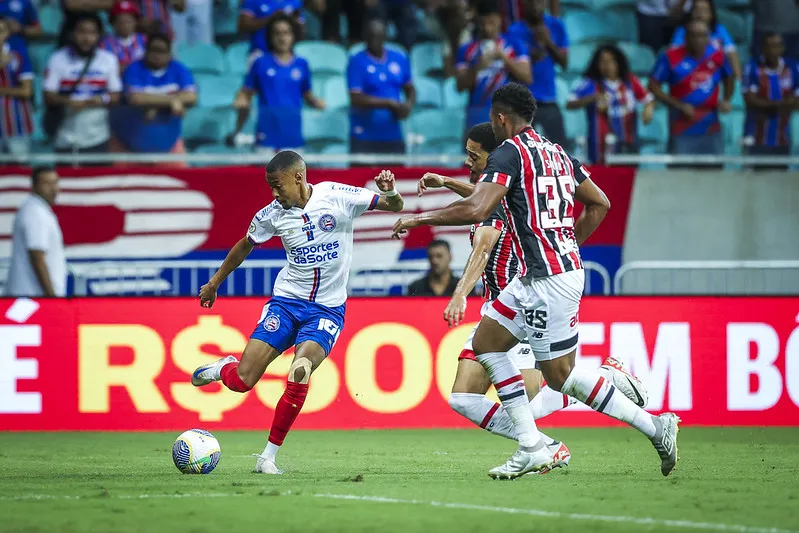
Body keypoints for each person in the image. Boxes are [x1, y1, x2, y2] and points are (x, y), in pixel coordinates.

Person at [392, 83, 679, 480]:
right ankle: (532, 447)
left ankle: (653, 425)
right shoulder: (558, 153)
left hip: (549, 281)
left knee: (560, 377)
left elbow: (478, 205)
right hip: (541, 275)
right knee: (486, 344)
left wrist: (420, 219)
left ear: (500, 118)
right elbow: (600, 203)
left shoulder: (508, 152)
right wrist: (567, 245)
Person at [190, 152, 405, 475]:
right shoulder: (272, 215)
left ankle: (267, 457)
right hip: (286, 304)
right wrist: (214, 283)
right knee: (243, 382)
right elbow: (245, 245)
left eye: (277, 186)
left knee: (300, 370)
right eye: (270, 188)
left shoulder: (337, 196)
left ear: (298, 179)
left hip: (326, 310)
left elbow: (394, 206)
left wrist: (389, 191)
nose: (274, 194)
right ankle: (225, 368)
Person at [231, 13, 324, 156]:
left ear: (293, 36)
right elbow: (246, 92)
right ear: (270, 36)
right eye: (277, 33)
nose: (282, 38)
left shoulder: (302, 64)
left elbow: (307, 94)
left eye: (286, 33)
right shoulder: (260, 62)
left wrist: (317, 102)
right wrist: (240, 98)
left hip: (293, 137)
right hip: (266, 137)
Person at [649, 20, 733, 159]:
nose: (698, 40)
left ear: (708, 38)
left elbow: (729, 77)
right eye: (693, 35)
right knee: (682, 171)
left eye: (702, 35)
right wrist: (678, 105)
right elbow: (653, 86)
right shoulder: (670, 56)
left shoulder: (718, 56)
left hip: (710, 123)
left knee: (715, 172)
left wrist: (726, 99)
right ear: (685, 38)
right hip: (681, 123)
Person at [110, 32, 196, 164]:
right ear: (146, 51)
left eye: (162, 51)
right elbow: (136, 99)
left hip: (169, 144)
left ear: (170, 54)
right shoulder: (134, 69)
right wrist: (174, 100)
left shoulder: (178, 69)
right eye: (153, 50)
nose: (157, 55)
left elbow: (191, 97)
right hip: (128, 144)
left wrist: (153, 104)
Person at [44, 13, 122, 156]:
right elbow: (49, 95)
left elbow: (116, 96)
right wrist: (70, 102)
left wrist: (97, 100)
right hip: (64, 136)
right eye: (81, 32)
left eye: (92, 33)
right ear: (73, 33)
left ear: (99, 35)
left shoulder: (108, 60)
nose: (86, 38)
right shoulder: (58, 58)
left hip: (97, 137)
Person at [567, 44, 655, 164]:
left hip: (628, 141)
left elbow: (648, 99)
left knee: (628, 176)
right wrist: (592, 98)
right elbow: (570, 103)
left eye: (611, 61)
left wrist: (648, 110)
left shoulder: (630, 82)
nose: (607, 65)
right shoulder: (590, 83)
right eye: (602, 61)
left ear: (619, 62)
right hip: (599, 145)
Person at [456, 1, 530, 131]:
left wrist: (504, 57)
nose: (487, 28)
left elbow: (527, 77)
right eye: (483, 24)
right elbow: (460, 86)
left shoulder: (514, 45)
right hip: (477, 115)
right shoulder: (466, 50)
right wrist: (478, 66)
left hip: (507, 115)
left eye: (491, 23)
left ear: (499, 20)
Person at [348, 19, 415, 155]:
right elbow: (356, 98)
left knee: (395, 175)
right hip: (364, 136)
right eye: (371, 36)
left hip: (393, 135)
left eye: (378, 36)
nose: (375, 40)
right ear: (364, 37)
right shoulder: (356, 61)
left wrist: (408, 104)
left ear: (385, 36)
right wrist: (388, 104)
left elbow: (410, 88)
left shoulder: (399, 58)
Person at [507, 0, 568, 147]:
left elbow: (564, 63)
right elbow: (511, 67)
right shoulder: (514, 30)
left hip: (548, 100)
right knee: (519, 149)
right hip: (522, 101)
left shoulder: (556, 25)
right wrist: (533, 55)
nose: (535, 6)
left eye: (539, 2)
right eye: (531, 2)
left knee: (559, 150)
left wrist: (548, 42)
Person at [5, 168, 66, 298]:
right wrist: (52, 297)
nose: (53, 189)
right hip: (32, 297)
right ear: (34, 186)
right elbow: (37, 257)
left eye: (55, 183)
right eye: (47, 183)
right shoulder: (35, 213)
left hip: (32, 296)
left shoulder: (38, 210)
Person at [743, 33, 799, 160]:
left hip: (783, 137)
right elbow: (750, 100)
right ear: (763, 48)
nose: (773, 50)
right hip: (755, 137)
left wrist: (767, 105)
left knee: (780, 176)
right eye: (769, 46)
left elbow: (797, 102)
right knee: (754, 177)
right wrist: (783, 104)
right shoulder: (752, 67)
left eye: (777, 46)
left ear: (783, 48)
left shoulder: (792, 68)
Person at [671, 0, 741, 80]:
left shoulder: (719, 30)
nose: (699, 14)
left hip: (715, 75)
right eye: (696, 10)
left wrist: (738, 83)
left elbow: (732, 54)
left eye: (704, 10)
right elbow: (673, 55)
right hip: (688, 75)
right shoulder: (682, 31)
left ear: (711, 14)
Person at [0, 17, 34, 155]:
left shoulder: (18, 56)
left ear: (7, 34)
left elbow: (26, 91)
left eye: (0, 31)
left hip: (17, 125)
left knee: (21, 170)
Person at [101, 1, 147, 73]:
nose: (125, 25)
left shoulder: (144, 40)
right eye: (120, 21)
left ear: (136, 22)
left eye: (128, 21)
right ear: (113, 23)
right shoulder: (104, 43)